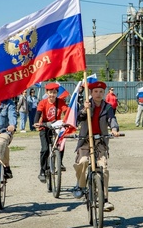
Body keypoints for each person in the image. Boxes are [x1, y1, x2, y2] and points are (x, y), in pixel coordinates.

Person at [72, 81, 120, 212]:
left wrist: (114, 129)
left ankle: (104, 200)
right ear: (91, 93)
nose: (98, 94)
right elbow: (79, 118)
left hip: (100, 142)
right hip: (85, 141)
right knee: (83, 161)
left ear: (104, 93)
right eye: (95, 92)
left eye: (100, 92)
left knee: (103, 169)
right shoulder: (86, 105)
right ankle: (80, 186)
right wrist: (84, 110)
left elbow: (112, 119)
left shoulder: (108, 107)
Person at [34, 83, 68, 183]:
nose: (52, 95)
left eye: (54, 92)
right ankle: (42, 170)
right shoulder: (43, 102)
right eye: (50, 92)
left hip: (56, 125)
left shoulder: (61, 102)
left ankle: (59, 162)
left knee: (61, 142)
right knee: (45, 149)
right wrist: (36, 122)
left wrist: (68, 121)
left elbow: (66, 112)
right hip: (45, 126)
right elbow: (38, 113)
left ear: (57, 93)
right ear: (47, 92)